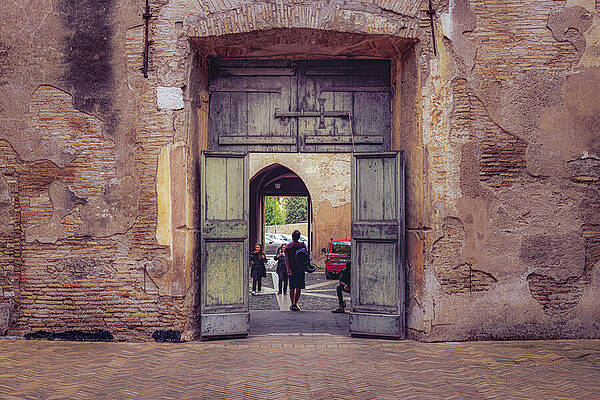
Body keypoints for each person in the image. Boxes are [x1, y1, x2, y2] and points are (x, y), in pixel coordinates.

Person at [284, 230, 306, 311]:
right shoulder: (303, 245)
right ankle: (295, 303)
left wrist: (288, 268)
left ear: (292, 237)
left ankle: (292, 304)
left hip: (292, 269)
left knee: (292, 287)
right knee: (298, 287)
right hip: (300, 269)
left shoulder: (288, 247)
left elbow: (286, 259)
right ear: (299, 237)